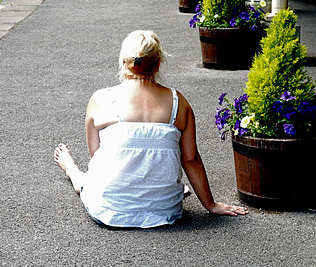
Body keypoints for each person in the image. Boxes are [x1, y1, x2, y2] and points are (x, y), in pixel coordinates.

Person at [54, 30, 248, 228]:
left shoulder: (100, 99)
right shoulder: (178, 102)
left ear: (123, 62)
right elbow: (191, 160)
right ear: (157, 64)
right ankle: (161, 187)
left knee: (90, 178)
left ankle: (73, 171)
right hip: (165, 210)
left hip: (109, 209)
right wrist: (210, 205)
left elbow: (96, 156)